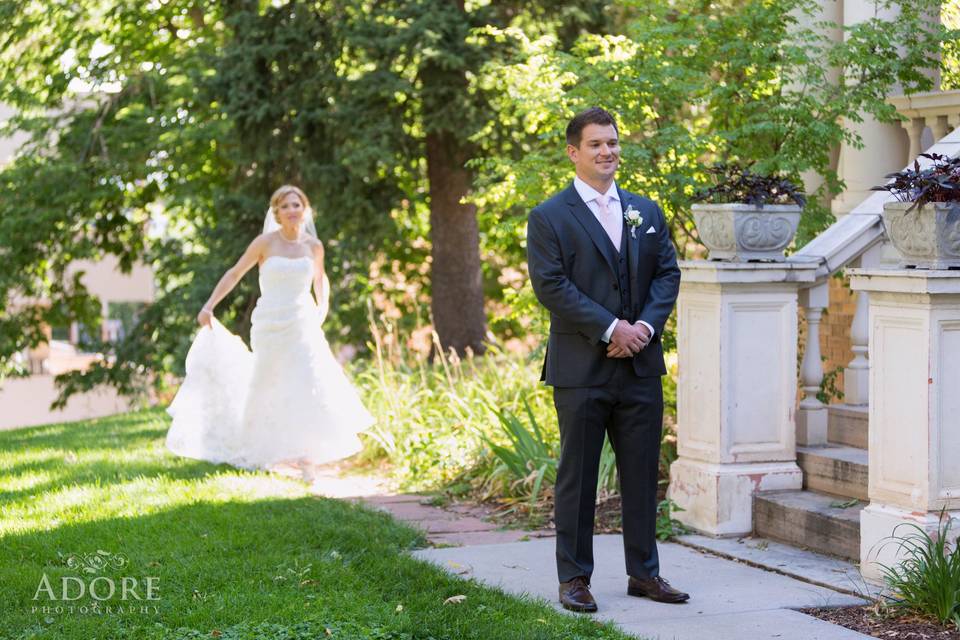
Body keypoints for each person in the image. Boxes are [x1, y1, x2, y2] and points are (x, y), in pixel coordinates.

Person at [526, 107, 686, 612]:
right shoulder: (549, 216)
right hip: (581, 368)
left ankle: (645, 574)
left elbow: (668, 274)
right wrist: (610, 328)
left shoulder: (646, 211)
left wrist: (643, 328)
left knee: (642, 473)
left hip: (639, 364)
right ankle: (574, 578)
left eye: (613, 142)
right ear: (574, 152)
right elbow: (552, 287)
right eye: (596, 144)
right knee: (578, 476)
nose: (607, 151)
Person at [165, 185, 373, 474]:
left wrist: (322, 308)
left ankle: (306, 457)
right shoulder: (265, 243)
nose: (292, 210)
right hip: (269, 323)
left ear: (305, 209)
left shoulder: (313, 246)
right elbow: (235, 272)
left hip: (302, 322)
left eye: (296, 205)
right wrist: (209, 306)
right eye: (286, 206)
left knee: (305, 380)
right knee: (270, 381)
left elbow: (320, 278)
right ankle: (263, 448)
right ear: (277, 212)